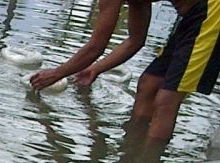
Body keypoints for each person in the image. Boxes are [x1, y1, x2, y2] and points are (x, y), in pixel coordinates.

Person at [30, 0, 220, 146]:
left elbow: (95, 46)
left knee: (166, 100)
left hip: (212, 12)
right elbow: (135, 40)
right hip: (194, 18)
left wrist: (56, 74)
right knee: (148, 85)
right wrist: (95, 69)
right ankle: (132, 149)